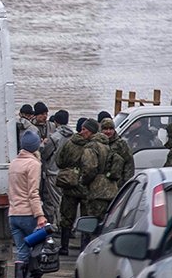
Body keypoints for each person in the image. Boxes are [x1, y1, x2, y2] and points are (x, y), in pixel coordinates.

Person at [8, 130, 48, 278]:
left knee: (22, 253)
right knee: (42, 251)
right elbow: (33, 193)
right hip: (28, 215)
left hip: (13, 215)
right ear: (35, 147)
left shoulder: (14, 163)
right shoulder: (33, 164)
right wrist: (40, 215)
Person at [55, 117, 92, 256]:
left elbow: (59, 161)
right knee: (85, 218)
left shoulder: (70, 143)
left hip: (69, 185)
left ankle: (64, 247)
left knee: (66, 216)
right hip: (85, 186)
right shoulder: (93, 145)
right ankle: (84, 248)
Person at [80, 118, 116, 233]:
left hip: (96, 191)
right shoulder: (106, 144)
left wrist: (83, 181)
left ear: (90, 131)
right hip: (110, 189)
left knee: (91, 225)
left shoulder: (91, 147)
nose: (81, 132)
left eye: (84, 129)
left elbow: (90, 168)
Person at [38, 109, 71, 228]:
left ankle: (58, 226)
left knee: (56, 201)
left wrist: (42, 144)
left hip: (53, 173)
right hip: (68, 174)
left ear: (56, 122)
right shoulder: (73, 136)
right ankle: (67, 226)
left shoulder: (55, 137)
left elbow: (45, 153)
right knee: (65, 200)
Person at [101, 118, 135, 188]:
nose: (108, 131)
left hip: (117, 185)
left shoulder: (121, 144)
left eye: (111, 129)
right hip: (100, 186)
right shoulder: (97, 144)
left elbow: (129, 163)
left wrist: (126, 183)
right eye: (105, 129)